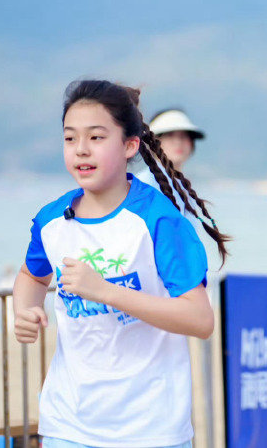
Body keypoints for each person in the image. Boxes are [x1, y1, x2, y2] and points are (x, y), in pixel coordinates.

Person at [12, 80, 228, 447]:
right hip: (68, 425)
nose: (81, 149)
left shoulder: (158, 219)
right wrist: (25, 310)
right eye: (70, 138)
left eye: (96, 137)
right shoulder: (51, 220)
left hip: (151, 428)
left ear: (130, 145)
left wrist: (106, 292)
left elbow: (200, 319)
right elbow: (31, 275)